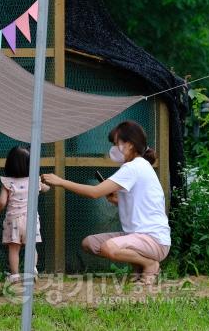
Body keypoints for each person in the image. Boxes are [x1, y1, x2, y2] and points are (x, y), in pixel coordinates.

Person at [42, 120, 171, 285]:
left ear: (130, 145)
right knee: (89, 243)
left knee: (108, 248)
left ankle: (149, 264)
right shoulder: (140, 166)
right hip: (140, 236)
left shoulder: (133, 168)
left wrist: (60, 181)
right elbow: (140, 205)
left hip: (153, 240)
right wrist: (117, 201)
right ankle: (139, 267)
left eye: (117, 143)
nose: (114, 148)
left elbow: (94, 192)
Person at [0, 147, 50, 284]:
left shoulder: (7, 182)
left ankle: (15, 275)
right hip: (31, 220)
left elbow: (1, 202)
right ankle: (32, 271)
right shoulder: (34, 181)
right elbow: (47, 188)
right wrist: (42, 181)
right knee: (31, 247)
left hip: (14, 221)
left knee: (14, 248)